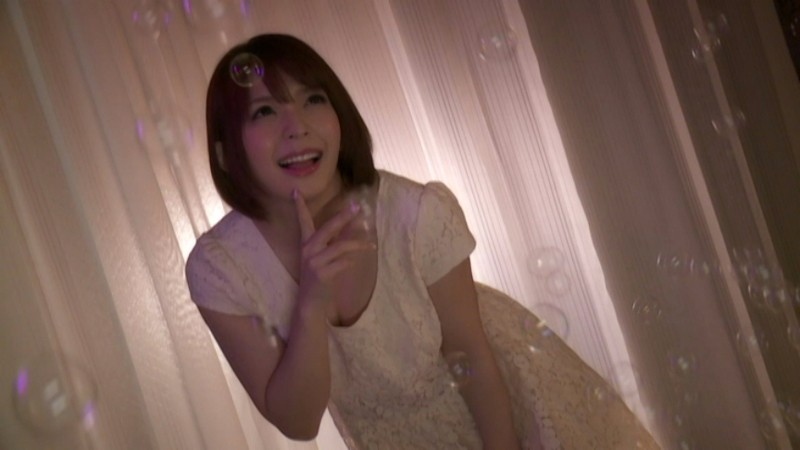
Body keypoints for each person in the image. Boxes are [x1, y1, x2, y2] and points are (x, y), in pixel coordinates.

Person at [185, 33, 659, 449]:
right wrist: (310, 305)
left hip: (508, 414)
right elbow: (299, 421)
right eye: (265, 111)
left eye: (313, 99)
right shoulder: (221, 268)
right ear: (225, 152)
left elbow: (470, 353)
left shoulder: (415, 215)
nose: (297, 126)